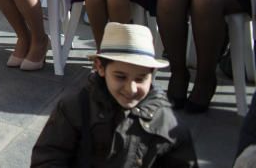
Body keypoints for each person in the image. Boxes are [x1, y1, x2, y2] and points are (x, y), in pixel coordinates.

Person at [31, 22, 197, 167]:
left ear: (152, 73)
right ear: (100, 68)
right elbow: (48, 158)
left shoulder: (167, 123)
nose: (131, 88)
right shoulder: (74, 107)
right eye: (120, 77)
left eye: (140, 78)